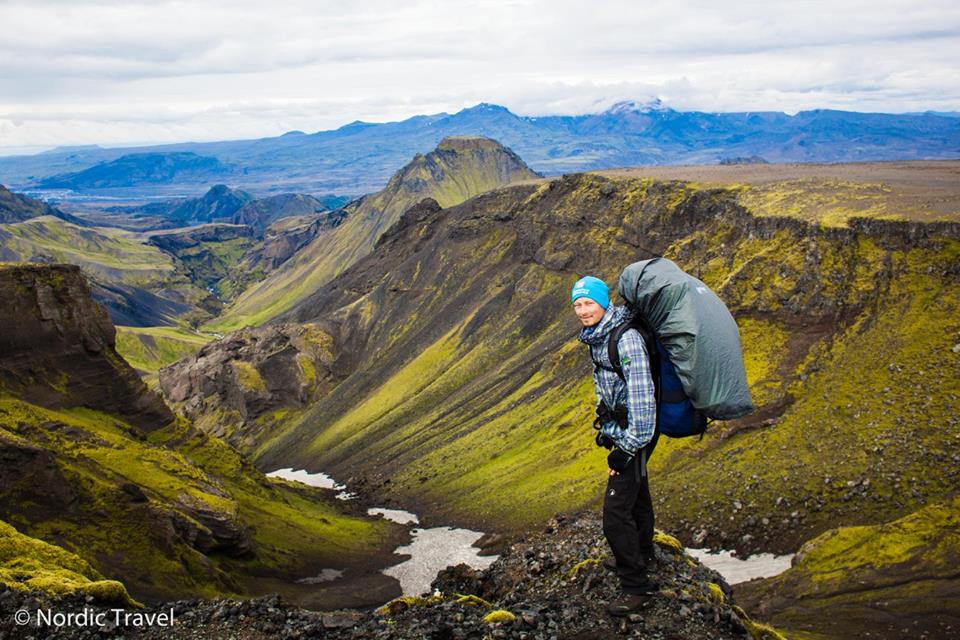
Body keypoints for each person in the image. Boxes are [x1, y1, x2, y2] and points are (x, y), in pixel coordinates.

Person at [572, 275, 660, 617]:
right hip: (624, 430)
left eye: (589, 303)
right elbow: (607, 386)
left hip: (639, 432)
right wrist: (607, 428)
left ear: (604, 302)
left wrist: (627, 448)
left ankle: (636, 587)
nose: (583, 310)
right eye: (577, 305)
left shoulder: (626, 340)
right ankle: (644, 554)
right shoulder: (598, 337)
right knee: (637, 495)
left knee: (614, 513)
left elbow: (643, 398)